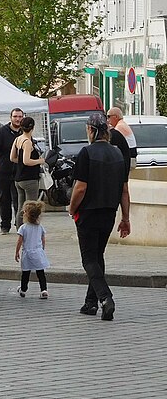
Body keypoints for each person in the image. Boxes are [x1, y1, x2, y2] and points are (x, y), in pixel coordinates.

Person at [68, 113, 130, 321]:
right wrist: (126, 218)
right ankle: (90, 303)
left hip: (88, 213)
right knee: (98, 255)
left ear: (92, 130)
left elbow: (80, 188)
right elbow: (124, 190)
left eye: (87, 129)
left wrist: (71, 208)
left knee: (88, 258)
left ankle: (105, 297)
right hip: (108, 213)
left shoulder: (86, 153)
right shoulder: (118, 154)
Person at [0, 108, 24, 234]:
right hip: (2, 171)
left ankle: (19, 223)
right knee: (4, 199)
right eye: (15, 116)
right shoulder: (2, 132)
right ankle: (5, 225)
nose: (18, 119)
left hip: (18, 171)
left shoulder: (23, 132)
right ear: (11, 118)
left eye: (20, 116)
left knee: (18, 198)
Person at [10, 116, 44, 229]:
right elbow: (26, 161)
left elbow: (12, 158)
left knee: (21, 206)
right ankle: (30, 228)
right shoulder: (27, 142)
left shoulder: (17, 139)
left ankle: (20, 228)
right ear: (32, 127)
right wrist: (40, 161)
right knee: (31, 206)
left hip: (18, 178)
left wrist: (20, 163)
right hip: (29, 179)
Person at [15, 200, 50, 299]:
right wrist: (42, 249)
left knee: (25, 273)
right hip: (38, 252)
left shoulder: (23, 228)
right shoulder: (40, 227)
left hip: (27, 252)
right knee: (40, 272)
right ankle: (44, 290)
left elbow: (20, 241)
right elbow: (43, 239)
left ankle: (23, 289)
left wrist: (17, 252)